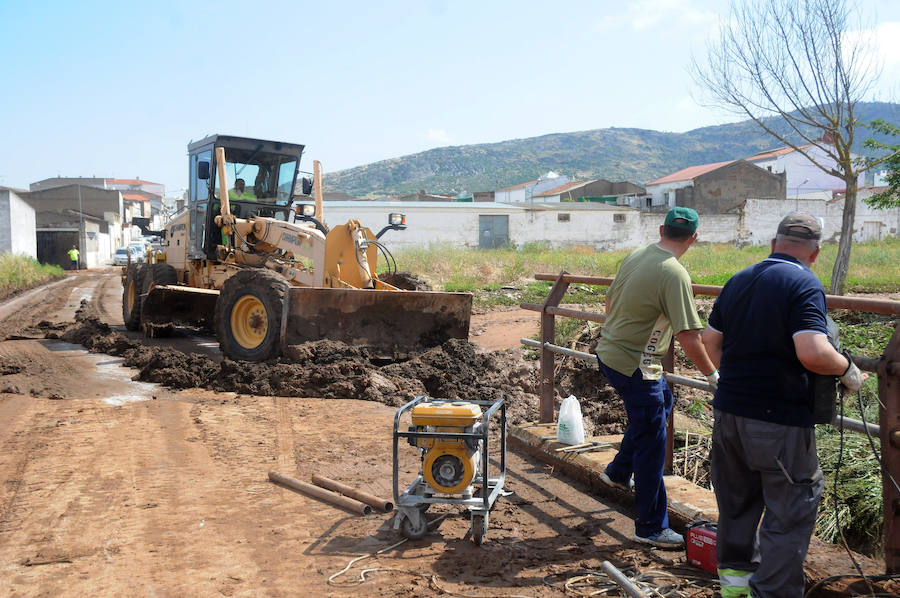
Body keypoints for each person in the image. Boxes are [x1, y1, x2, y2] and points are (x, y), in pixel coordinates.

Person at [701, 213, 863, 598]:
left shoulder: (739, 280)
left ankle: (736, 590)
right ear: (816, 253)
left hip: (729, 414)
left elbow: (710, 342)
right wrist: (849, 371)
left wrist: (741, 383)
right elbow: (812, 351)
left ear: (773, 244)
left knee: (737, 504)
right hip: (779, 421)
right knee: (791, 510)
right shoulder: (804, 283)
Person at [594, 207, 719, 549]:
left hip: (610, 352)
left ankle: (618, 471)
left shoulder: (638, 255)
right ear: (694, 237)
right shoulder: (674, 273)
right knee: (653, 443)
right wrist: (713, 377)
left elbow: (608, 301)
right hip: (636, 363)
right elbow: (689, 337)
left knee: (662, 403)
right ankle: (650, 527)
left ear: (662, 228)